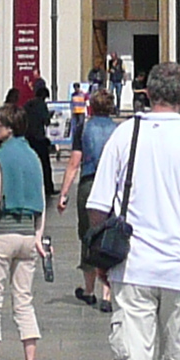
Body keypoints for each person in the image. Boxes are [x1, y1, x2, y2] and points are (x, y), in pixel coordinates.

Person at [84, 61, 180, 360]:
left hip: (133, 266)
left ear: (147, 94)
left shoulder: (124, 135)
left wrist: (101, 258)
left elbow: (97, 205)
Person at [0, 101, 48, 360]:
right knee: (24, 300)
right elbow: (41, 200)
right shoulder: (33, 156)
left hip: (3, 234)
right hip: (28, 235)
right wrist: (39, 236)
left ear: (9, 128)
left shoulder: (2, 155)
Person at [56, 86, 121, 312]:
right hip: (113, 185)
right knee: (111, 235)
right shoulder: (118, 130)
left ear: (91, 107)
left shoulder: (83, 128)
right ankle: (108, 293)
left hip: (89, 184)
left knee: (88, 235)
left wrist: (63, 193)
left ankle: (89, 290)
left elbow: (74, 163)